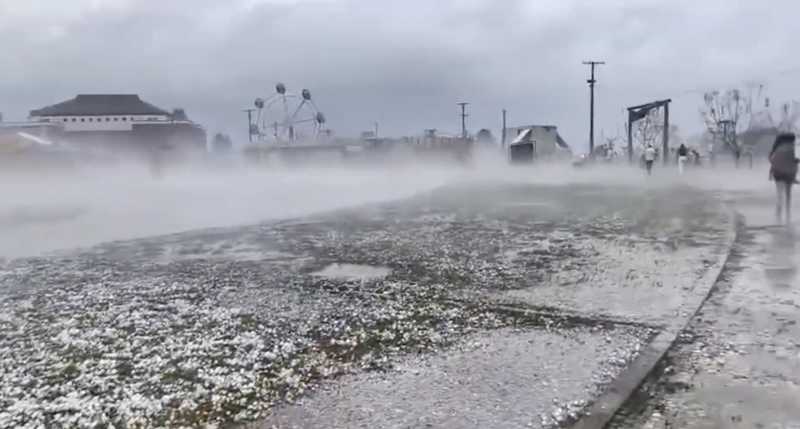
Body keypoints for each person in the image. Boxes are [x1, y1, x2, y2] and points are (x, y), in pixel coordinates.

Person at [769, 132, 799, 224]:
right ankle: (788, 214)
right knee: (788, 194)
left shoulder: (777, 148)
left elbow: (772, 161)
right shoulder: (793, 148)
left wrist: (771, 173)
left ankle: (778, 214)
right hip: (789, 175)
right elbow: (796, 161)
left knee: (779, 195)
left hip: (777, 174)